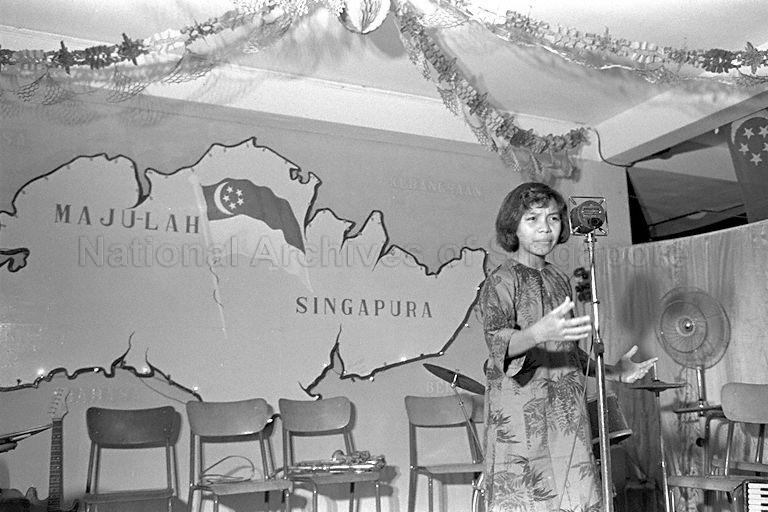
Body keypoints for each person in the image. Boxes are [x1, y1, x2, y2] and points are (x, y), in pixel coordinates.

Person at [479, 182, 657, 512]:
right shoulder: (501, 280)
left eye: (553, 218)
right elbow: (497, 341)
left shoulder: (559, 279)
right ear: (513, 226)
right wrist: (537, 332)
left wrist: (614, 372)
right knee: (524, 498)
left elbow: (570, 351)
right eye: (532, 219)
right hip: (522, 413)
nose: (545, 228)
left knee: (576, 494)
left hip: (566, 413)